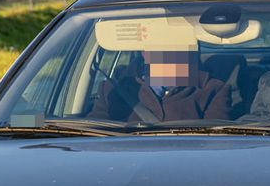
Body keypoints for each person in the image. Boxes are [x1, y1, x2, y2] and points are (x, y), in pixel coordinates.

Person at [90, 18, 232, 122]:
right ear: (144, 52)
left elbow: (215, 144)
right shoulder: (111, 88)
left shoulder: (214, 89)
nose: (167, 53)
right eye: (158, 46)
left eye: (175, 46)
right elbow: (93, 138)